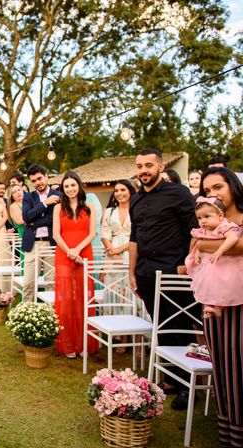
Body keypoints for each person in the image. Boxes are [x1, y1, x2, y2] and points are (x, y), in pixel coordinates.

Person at [128, 148, 198, 410]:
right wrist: (131, 271)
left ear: (159, 166)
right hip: (146, 274)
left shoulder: (178, 193)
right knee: (161, 327)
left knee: (180, 328)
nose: (143, 170)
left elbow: (196, 230)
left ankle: (186, 389)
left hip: (173, 274)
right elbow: (134, 238)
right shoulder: (136, 199)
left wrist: (185, 264)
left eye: (148, 165)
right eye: (139, 166)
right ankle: (170, 381)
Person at [196, 167, 243, 445]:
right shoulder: (207, 219)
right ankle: (227, 429)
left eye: (217, 187)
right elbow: (194, 243)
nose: (212, 194)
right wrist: (203, 243)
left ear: (233, 187)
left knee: (238, 363)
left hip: (239, 302)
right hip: (212, 301)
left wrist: (205, 244)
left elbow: (237, 246)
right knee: (222, 366)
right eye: (207, 190)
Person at [52, 171, 98, 358]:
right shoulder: (57, 208)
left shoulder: (90, 207)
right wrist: (70, 252)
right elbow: (56, 234)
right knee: (66, 301)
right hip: (63, 255)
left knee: (83, 297)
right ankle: (68, 343)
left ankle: (84, 343)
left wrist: (77, 250)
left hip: (84, 253)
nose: (70, 189)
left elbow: (92, 233)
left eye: (73, 185)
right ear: (63, 189)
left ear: (79, 185)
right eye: (66, 186)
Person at [185, 197, 243, 318]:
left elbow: (233, 238)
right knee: (207, 284)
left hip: (225, 263)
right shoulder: (203, 231)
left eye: (207, 217)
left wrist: (220, 250)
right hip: (209, 264)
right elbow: (199, 245)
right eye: (199, 218)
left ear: (220, 216)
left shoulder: (224, 227)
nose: (203, 221)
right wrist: (196, 255)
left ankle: (218, 307)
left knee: (223, 285)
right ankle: (209, 306)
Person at [101, 180, 136, 351]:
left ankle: (134, 336)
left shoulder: (137, 210)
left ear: (130, 191)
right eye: (116, 190)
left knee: (131, 293)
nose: (119, 193)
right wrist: (111, 250)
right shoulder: (109, 211)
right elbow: (104, 232)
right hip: (111, 255)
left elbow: (139, 235)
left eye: (123, 189)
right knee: (115, 293)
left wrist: (120, 250)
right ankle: (119, 335)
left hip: (131, 253)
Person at [21, 164, 61, 301]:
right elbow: (26, 217)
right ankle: (25, 316)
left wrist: (34, 222)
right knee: (28, 283)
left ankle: (51, 317)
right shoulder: (28, 197)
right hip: (33, 244)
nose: (37, 183)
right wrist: (45, 204)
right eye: (34, 181)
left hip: (52, 244)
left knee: (52, 282)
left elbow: (55, 219)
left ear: (46, 176)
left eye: (40, 178)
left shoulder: (59, 195)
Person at [7, 184, 25, 273]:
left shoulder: (28, 202)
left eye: (19, 190)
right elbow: (20, 221)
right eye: (14, 192)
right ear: (11, 196)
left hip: (35, 237)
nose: (18, 193)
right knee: (28, 268)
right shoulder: (14, 206)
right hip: (25, 239)